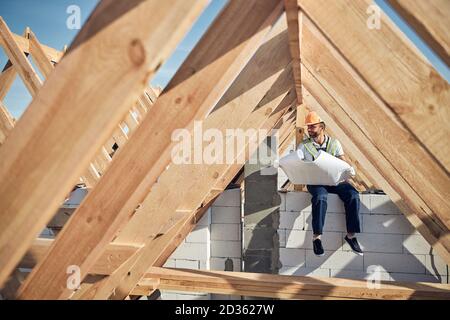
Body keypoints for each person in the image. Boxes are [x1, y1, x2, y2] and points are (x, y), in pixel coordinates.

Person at [298, 111, 363, 256]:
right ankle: (317, 238)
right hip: (315, 182)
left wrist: (349, 169)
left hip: (334, 181)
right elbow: (298, 163)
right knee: (320, 197)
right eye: (308, 127)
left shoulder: (334, 143)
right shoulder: (304, 146)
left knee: (353, 195)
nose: (309, 130)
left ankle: (351, 236)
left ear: (321, 127)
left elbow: (343, 159)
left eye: (312, 127)